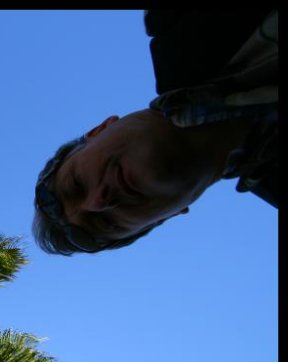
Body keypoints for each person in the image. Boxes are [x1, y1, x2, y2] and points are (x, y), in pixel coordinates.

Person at [33, 10, 277, 255]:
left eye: (77, 184)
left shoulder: (177, 21)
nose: (98, 201)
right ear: (169, 216)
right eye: (107, 222)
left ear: (99, 129)